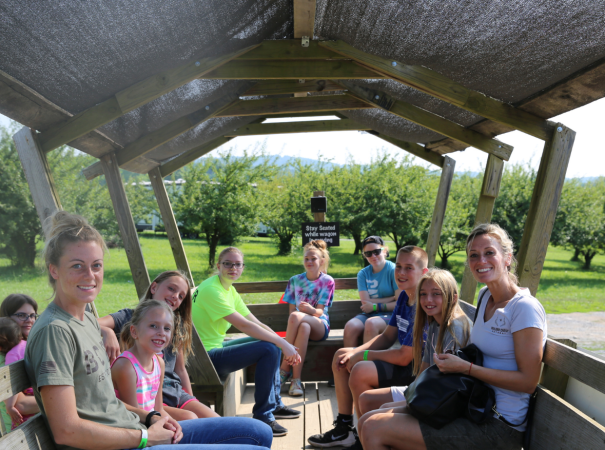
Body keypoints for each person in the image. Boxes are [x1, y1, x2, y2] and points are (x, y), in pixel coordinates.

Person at [24, 211, 272, 450]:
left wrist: (151, 416)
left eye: (96, 265)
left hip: (134, 429)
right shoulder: (54, 332)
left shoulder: (86, 319)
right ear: (53, 269)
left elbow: (105, 403)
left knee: (258, 432)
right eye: (77, 266)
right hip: (123, 444)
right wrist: (145, 437)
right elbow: (66, 430)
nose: (90, 275)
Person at [359, 223, 546, 450]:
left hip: (498, 423)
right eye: (473, 255)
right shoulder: (486, 295)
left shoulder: (524, 308)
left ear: (507, 258)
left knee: (374, 427)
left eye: (489, 253)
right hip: (470, 403)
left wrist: (466, 369)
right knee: (369, 418)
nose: (481, 261)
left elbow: (528, 383)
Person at [308, 246, 428, 449]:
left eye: (409, 268)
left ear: (423, 272)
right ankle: (346, 427)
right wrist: (355, 352)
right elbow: (388, 336)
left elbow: (405, 357)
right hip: (405, 361)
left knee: (361, 370)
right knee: (342, 354)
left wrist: (363, 355)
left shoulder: (422, 305)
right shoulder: (404, 298)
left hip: (418, 371)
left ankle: (363, 436)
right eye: (398, 266)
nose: (400, 272)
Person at [192, 246, 302, 437]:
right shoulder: (212, 290)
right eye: (227, 264)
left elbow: (255, 323)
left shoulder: (228, 289)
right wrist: (283, 344)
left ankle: (274, 405)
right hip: (203, 359)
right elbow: (245, 326)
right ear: (218, 265)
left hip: (211, 348)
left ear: (243, 267)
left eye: (237, 264)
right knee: (268, 348)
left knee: (271, 344)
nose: (233, 268)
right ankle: (263, 416)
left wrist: (283, 343)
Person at [356, 268, 472, 440]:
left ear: (453, 297)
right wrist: (411, 396)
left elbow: (448, 386)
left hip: (444, 400)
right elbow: (423, 371)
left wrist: (407, 403)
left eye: (436, 294)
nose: (428, 300)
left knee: (373, 418)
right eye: (423, 294)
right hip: (430, 390)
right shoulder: (433, 322)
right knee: (366, 401)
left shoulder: (454, 329)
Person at [99, 270, 218, 420]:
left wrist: (191, 399)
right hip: (148, 393)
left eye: (181, 296)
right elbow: (87, 323)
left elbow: (180, 369)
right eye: (171, 289)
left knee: (217, 422)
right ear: (154, 287)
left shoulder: (175, 326)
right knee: (191, 419)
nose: (175, 296)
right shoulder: (129, 317)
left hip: (175, 392)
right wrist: (106, 332)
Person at [279, 240, 335, 397]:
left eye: (314, 259)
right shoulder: (295, 280)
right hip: (300, 326)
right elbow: (291, 311)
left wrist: (310, 310)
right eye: (306, 259)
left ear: (321, 261)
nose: (309, 262)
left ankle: (284, 368)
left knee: (298, 316)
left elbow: (320, 312)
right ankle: (296, 380)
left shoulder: (327, 281)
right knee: (303, 326)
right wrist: (300, 316)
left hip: (320, 325)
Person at [111, 300, 174, 417]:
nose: (161, 333)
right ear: (134, 332)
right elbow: (133, 416)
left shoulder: (159, 363)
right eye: (153, 326)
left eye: (167, 328)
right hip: (134, 429)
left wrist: (173, 425)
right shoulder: (126, 367)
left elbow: (159, 409)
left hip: (150, 423)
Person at [344, 236, 400, 348]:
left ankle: (365, 364)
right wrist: (391, 298)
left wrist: (375, 306)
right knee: (350, 326)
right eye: (368, 253)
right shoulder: (363, 274)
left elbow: (398, 303)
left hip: (393, 316)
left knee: (371, 324)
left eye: (376, 251)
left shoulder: (394, 270)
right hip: (369, 314)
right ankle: (348, 363)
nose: (373, 256)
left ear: (385, 251)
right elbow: (365, 302)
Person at [0, 293, 40, 428]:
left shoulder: (29, 345)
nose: (29, 320)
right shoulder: (4, 356)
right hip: (18, 429)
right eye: (22, 315)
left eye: (32, 315)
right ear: (7, 318)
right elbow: (20, 405)